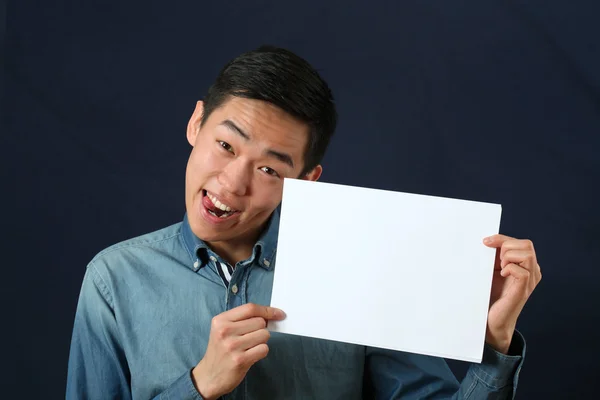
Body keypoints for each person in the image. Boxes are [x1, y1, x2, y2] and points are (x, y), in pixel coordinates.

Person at [66, 45, 542, 400]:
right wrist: (199, 385)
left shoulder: (364, 270)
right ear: (196, 123)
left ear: (307, 181)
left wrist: (494, 345)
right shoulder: (113, 280)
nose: (232, 184)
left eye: (269, 169)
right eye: (226, 145)